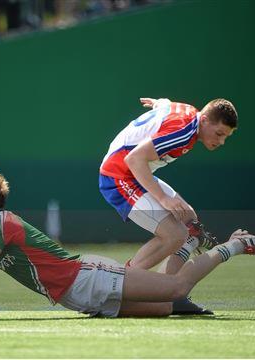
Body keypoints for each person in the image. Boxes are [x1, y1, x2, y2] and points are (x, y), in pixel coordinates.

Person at [0, 167, 255, 318]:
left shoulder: (1, 223)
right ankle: (185, 248)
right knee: (170, 307)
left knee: (178, 288)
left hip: (87, 277)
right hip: (78, 297)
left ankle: (235, 244)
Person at [98, 97, 238, 312]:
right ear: (205, 119)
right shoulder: (184, 131)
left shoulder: (191, 114)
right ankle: (117, 289)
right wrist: (164, 199)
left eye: (226, 137)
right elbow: (134, 159)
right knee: (175, 235)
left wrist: (158, 103)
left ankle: (173, 297)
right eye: (219, 134)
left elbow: (166, 104)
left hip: (134, 173)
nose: (221, 142)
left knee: (190, 222)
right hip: (118, 176)